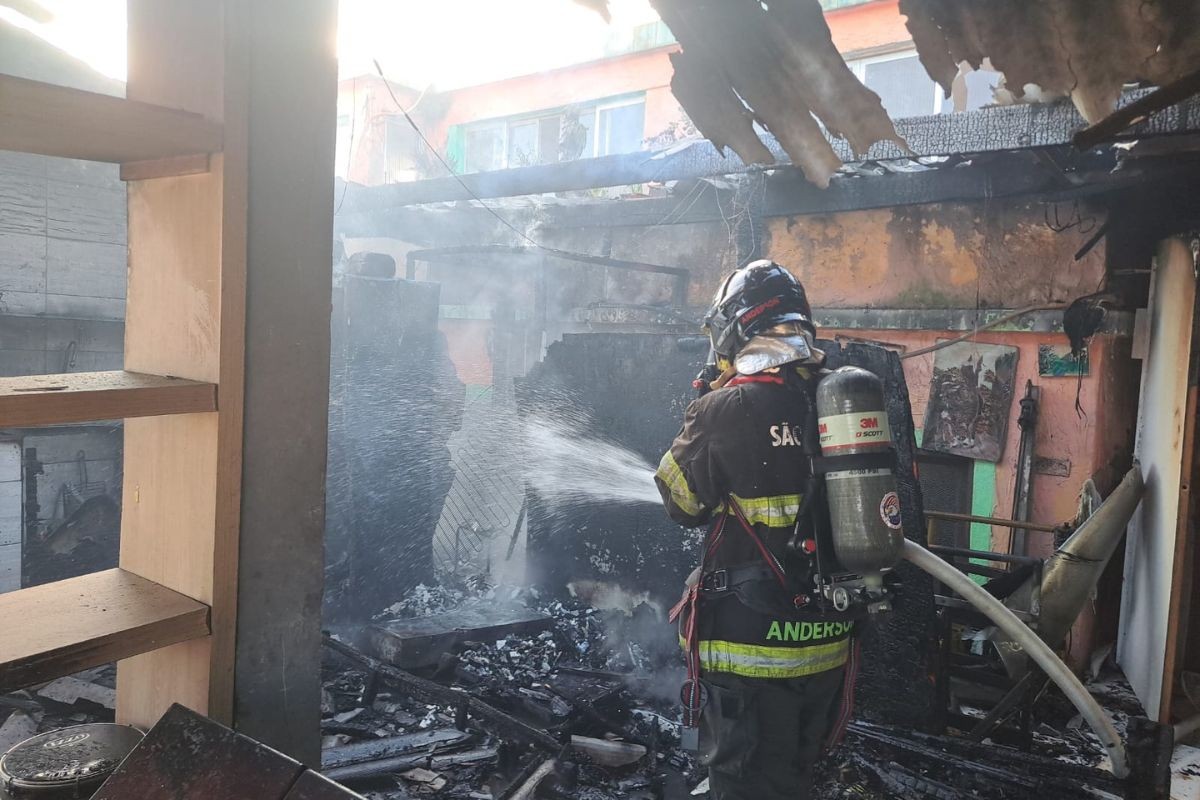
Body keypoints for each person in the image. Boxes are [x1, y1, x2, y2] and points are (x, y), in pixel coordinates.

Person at [655, 260, 859, 800]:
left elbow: (681, 502)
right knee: (793, 776)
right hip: (826, 642)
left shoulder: (724, 408)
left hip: (751, 647)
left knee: (746, 785)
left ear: (735, 328)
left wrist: (703, 404)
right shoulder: (838, 399)